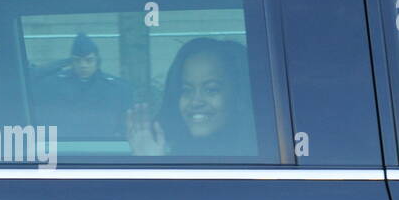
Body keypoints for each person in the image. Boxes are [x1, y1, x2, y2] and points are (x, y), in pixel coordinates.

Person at [127, 37, 256, 157]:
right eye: (187, 90)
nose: (195, 101)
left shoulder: (259, 158)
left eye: (211, 90)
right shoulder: (173, 150)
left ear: (239, 96)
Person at [36, 32, 132, 140]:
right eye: (77, 60)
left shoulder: (116, 88)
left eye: (89, 60)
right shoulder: (53, 85)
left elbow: (123, 125)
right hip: (66, 146)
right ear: (71, 62)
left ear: (97, 61)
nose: (83, 65)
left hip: (104, 146)